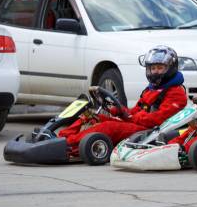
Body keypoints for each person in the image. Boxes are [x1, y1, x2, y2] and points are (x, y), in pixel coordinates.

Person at [58, 46, 187, 155]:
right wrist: (118, 110)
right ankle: (60, 138)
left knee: (108, 127)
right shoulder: (151, 89)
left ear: (170, 68)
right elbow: (136, 110)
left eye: (160, 68)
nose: (155, 72)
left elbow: (159, 119)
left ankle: (68, 145)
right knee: (92, 117)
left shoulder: (176, 92)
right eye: (153, 68)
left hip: (152, 130)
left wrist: (130, 117)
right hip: (139, 124)